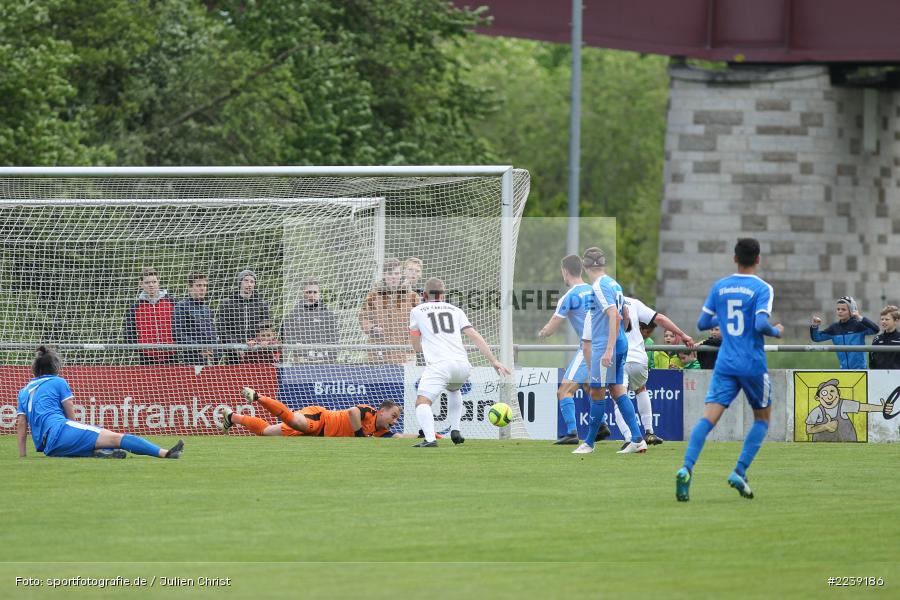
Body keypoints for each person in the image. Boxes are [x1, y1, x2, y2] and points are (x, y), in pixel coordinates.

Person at [676, 238, 783, 502]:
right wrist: (776, 331)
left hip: (725, 363)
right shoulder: (762, 288)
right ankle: (739, 471)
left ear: (734, 258)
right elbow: (760, 324)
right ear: (758, 259)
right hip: (752, 364)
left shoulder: (720, 286)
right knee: (762, 419)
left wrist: (722, 317)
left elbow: (702, 322)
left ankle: (686, 468)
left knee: (707, 419)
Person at [16, 346, 184, 459]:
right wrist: (77, 431)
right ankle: (165, 453)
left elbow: (21, 425)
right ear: (55, 368)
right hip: (60, 432)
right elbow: (70, 414)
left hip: (48, 448)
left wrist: (22, 456)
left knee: (101, 443)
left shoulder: (24, 390)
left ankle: (101, 452)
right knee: (116, 438)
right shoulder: (58, 381)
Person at [408, 277, 511, 447]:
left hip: (440, 365)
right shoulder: (456, 310)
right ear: (443, 294)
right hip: (462, 365)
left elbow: (416, 346)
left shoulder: (417, 310)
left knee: (422, 403)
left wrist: (422, 343)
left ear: (424, 294)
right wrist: (494, 360)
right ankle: (455, 430)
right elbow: (474, 335)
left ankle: (430, 440)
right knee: (454, 389)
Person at [572, 247, 647, 455]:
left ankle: (589, 443)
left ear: (585, 266)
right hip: (620, 343)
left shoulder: (598, 286)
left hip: (605, 346)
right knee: (617, 390)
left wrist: (608, 349)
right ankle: (638, 439)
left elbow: (615, 315)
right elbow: (624, 314)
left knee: (596, 391)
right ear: (603, 264)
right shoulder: (614, 283)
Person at [538, 254, 609, 445]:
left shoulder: (569, 296)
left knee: (564, 391)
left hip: (589, 348)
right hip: (605, 346)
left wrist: (543, 332)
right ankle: (601, 426)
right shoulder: (594, 290)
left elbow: (553, 325)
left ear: (565, 271)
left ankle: (571, 433)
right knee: (588, 388)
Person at [614, 297, 694, 448]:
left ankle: (630, 438)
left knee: (619, 398)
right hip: (639, 357)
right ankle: (649, 432)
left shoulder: (604, 301)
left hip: (620, 357)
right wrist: (682, 335)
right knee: (641, 389)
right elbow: (660, 319)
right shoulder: (634, 302)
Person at [221, 388, 413, 437]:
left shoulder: (380, 431)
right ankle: (258, 397)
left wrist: (428, 435)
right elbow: (353, 412)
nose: (395, 421)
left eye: (397, 418)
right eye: (393, 415)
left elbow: (399, 437)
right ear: (381, 411)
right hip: (320, 420)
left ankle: (232, 417)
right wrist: (359, 435)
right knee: (296, 422)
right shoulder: (369, 412)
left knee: (266, 432)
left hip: (317, 435)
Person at [359, 258, 419, 364]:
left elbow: (418, 324)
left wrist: (410, 346)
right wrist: (373, 328)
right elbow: (363, 317)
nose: (393, 277)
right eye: (390, 273)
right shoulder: (373, 295)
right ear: (384, 275)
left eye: (396, 273)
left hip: (404, 353)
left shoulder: (413, 297)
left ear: (401, 275)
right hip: (378, 351)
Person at [122, 267, 176, 364]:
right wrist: (140, 349)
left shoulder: (172, 302)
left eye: (154, 282)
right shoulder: (135, 308)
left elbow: (182, 326)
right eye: (147, 283)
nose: (151, 285)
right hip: (147, 358)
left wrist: (177, 343)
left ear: (158, 282)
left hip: (172, 356)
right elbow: (128, 333)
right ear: (141, 284)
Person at [217, 269, 271, 365]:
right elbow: (222, 329)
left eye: (252, 282)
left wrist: (256, 341)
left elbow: (266, 329)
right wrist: (236, 345)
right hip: (233, 353)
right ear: (240, 283)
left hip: (256, 352)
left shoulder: (262, 305)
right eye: (246, 281)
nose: (249, 284)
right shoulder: (228, 303)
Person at [810, 296, 879, 369]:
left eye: (843, 309)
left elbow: (875, 329)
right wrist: (814, 326)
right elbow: (816, 338)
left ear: (852, 311)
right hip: (843, 370)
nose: (840, 311)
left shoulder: (858, 325)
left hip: (860, 370)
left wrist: (860, 317)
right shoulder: (834, 328)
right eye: (838, 309)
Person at [282, 279, 339, 363]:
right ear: (303, 293)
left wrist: (331, 357)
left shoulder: (328, 315)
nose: (312, 295)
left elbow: (334, 337)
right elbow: (287, 336)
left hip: (323, 360)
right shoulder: (293, 315)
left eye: (315, 292)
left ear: (319, 294)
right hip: (301, 361)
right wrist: (296, 353)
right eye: (308, 292)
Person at [172, 271, 218, 365]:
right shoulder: (181, 307)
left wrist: (216, 353)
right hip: (190, 360)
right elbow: (177, 334)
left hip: (209, 360)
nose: (202, 289)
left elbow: (213, 334)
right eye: (198, 285)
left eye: (205, 285)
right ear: (190, 287)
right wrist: (199, 348)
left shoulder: (207, 309)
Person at [869, 305, 900, 370]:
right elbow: (872, 361)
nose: (883, 321)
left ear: (896, 321)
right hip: (880, 376)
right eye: (882, 319)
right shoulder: (877, 339)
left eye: (887, 319)